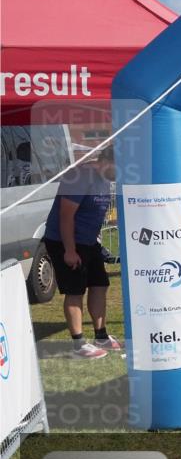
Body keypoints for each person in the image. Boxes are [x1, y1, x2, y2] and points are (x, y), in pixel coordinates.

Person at [42, 148, 121, 359]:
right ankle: (78, 344)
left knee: (100, 285)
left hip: (88, 242)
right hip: (64, 241)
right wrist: (69, 250)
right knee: (75, 290)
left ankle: (101, 335)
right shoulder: (80, 176)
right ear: (106, 160)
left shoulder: (104, 179)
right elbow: (66, 216)